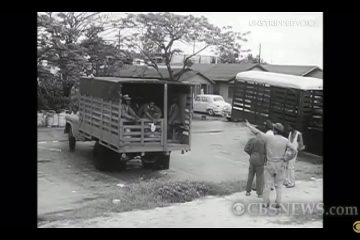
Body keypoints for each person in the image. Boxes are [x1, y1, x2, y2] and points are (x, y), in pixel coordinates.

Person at [245, 120, 298, 208]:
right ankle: (278, 202)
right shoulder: (285, 140)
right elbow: (295, 150)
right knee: (279, 185)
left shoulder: (268, 138)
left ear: (275, 130)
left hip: (270, 163)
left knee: (267, 185)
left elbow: (256, 132)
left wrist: (248, 125)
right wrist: (286, 159)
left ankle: (266, 202)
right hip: (280, 164)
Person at [284, 124, 305, 188]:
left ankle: (292, 183)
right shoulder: (290, 133)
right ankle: (287, 181)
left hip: (294, 152)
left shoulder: (299, 134)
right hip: (288, 151)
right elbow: (288, 142)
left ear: (292, 127)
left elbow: (301, 145)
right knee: (286, 166)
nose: (288, 128)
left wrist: (296, 150)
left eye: (289, 127)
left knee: (291, 167)